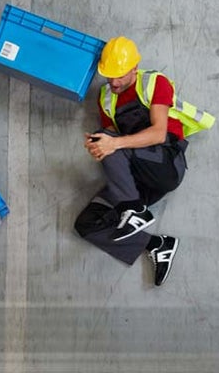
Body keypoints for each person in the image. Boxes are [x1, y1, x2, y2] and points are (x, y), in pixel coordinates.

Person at [73, 36, 193, 286]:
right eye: (109, 75)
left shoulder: (154, 83)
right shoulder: (105, 97)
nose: (113, 82)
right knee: (87, 223)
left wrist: (112, 143)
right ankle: (157, 245)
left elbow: (159, 133)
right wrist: (98, 147)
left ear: (134, 68)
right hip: (136, 180)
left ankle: (134, 209)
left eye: (119, 75)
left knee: (109, 139)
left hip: (165, 164)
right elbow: (112, 147)